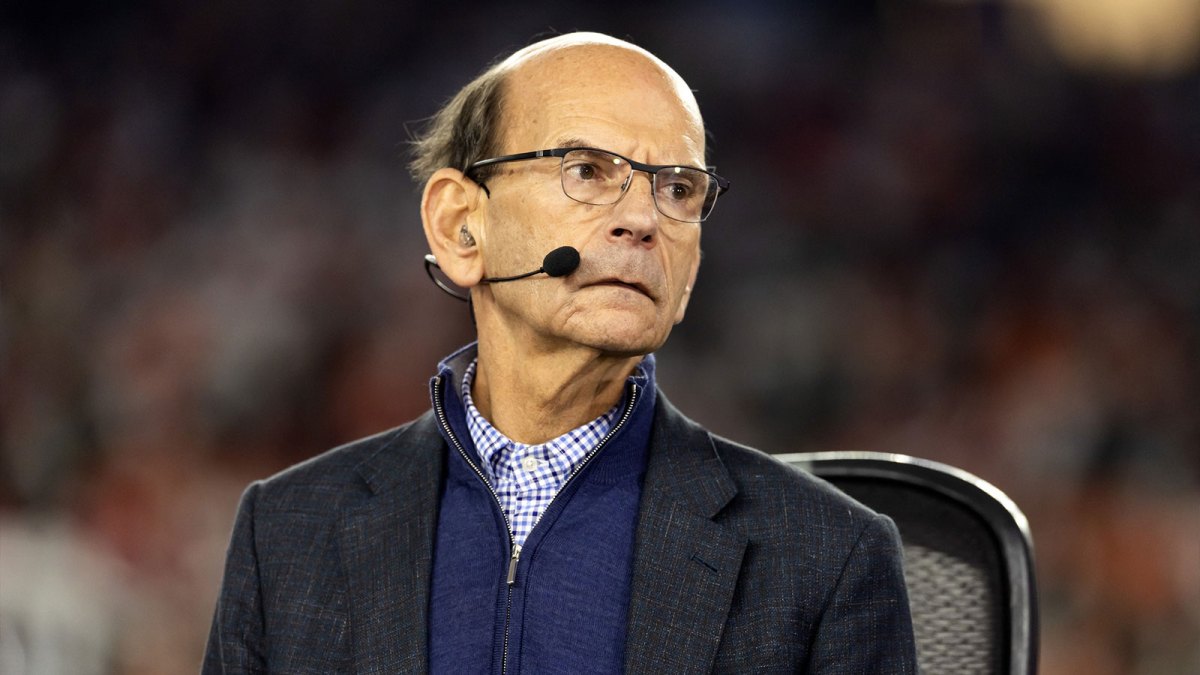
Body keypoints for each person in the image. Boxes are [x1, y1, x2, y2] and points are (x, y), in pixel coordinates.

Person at [203, 32, 916, 673]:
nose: (642, 219)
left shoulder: (829, 555)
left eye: (678, 188)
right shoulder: (285, 532)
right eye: (587, 170)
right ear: (460, 228)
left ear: (691, 270)